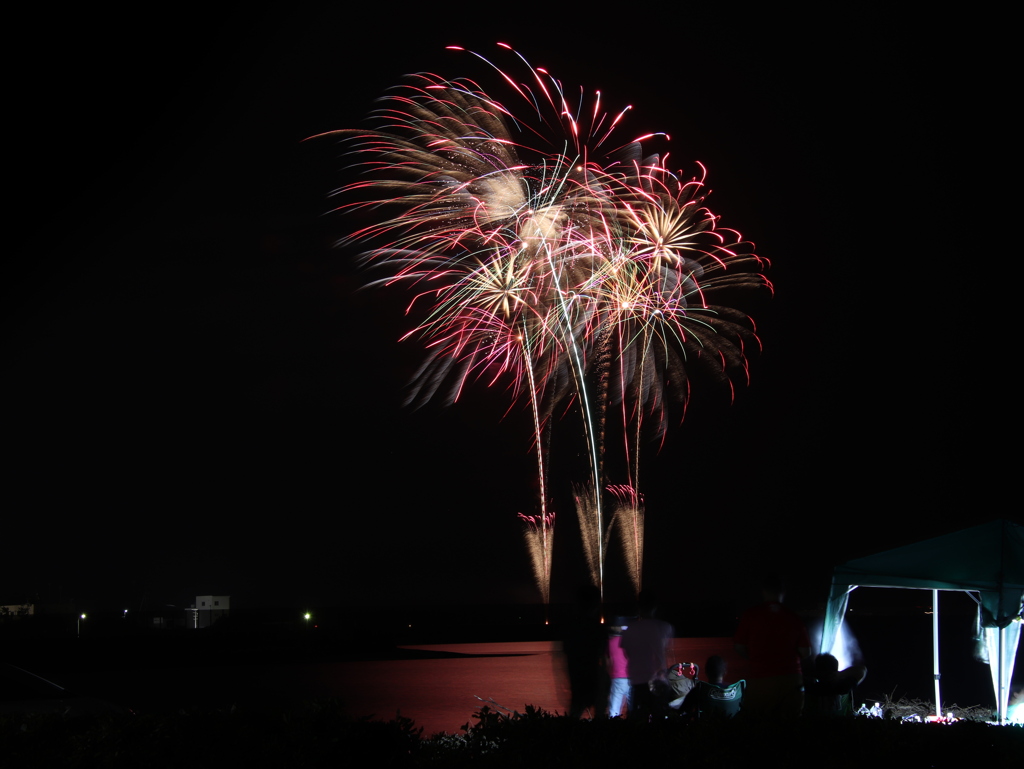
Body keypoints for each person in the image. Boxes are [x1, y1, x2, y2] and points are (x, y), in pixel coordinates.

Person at [733, 575, 811, 718]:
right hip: (791, 680)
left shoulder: (750, 615)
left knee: (757, 721)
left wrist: (755, 658)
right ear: (783, 592)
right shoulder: (793, 617)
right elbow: (806, 652)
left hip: (760, 679)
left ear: (763, 592)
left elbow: (739, 647)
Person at [620, 589, 674, 720]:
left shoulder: (630, 630)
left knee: (638, 721)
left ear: (639, 606)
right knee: (660, 720)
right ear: (655, 606)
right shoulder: (665, 627)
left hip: (638, 682)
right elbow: (668, 652)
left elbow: (627, 653)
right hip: (659, 683)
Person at [681, 655, 745, 720]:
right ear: (725, 673)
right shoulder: (737, 690)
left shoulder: (699, 690)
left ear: (706, 672)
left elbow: (683, 711)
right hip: (732, 729)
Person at [606, 618, 631, 717]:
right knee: (633, 708)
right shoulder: (630, 641)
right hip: (632, 678)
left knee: (614, 709)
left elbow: (608, 662)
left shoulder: (610, 642)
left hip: (618, 678)